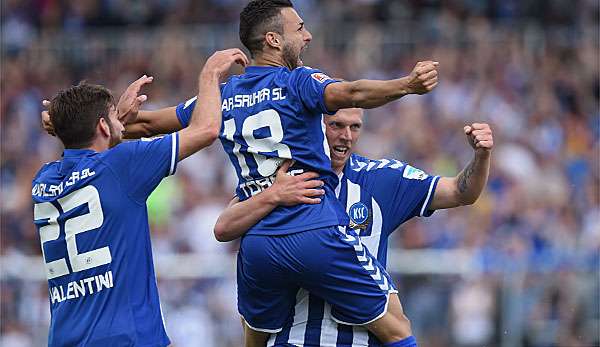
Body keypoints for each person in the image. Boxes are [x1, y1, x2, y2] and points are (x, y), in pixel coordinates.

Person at [42, 1, 440, 345]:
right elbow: (350, 94)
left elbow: (146, 125)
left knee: (255, 337)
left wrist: (66, 123)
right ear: (272, 39)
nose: (308, 36)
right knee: (396, 322)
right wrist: (406, 85)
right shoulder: (297, 81)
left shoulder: (224, 97)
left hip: (258, 242)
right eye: (299, 28)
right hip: (312, 225)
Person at [212, 108, 494, 346]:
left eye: (355, 127)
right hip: (293, 338)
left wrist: (481, 156)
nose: (346, 136)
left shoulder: (382, 179)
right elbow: (225, 227)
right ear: (313, 125)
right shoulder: (279, 175)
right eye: (335, 125)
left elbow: (461, 192)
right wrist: (272, 196)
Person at [32, 49, 248, 346]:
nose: (124, 123)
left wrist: (75, 120)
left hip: (65, 338)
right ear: (103, 127)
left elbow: (86, 149)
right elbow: (206, 129)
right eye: (114, 118)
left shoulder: (43, 180)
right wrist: (209, 74)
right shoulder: (122, 164)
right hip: (127, 338)